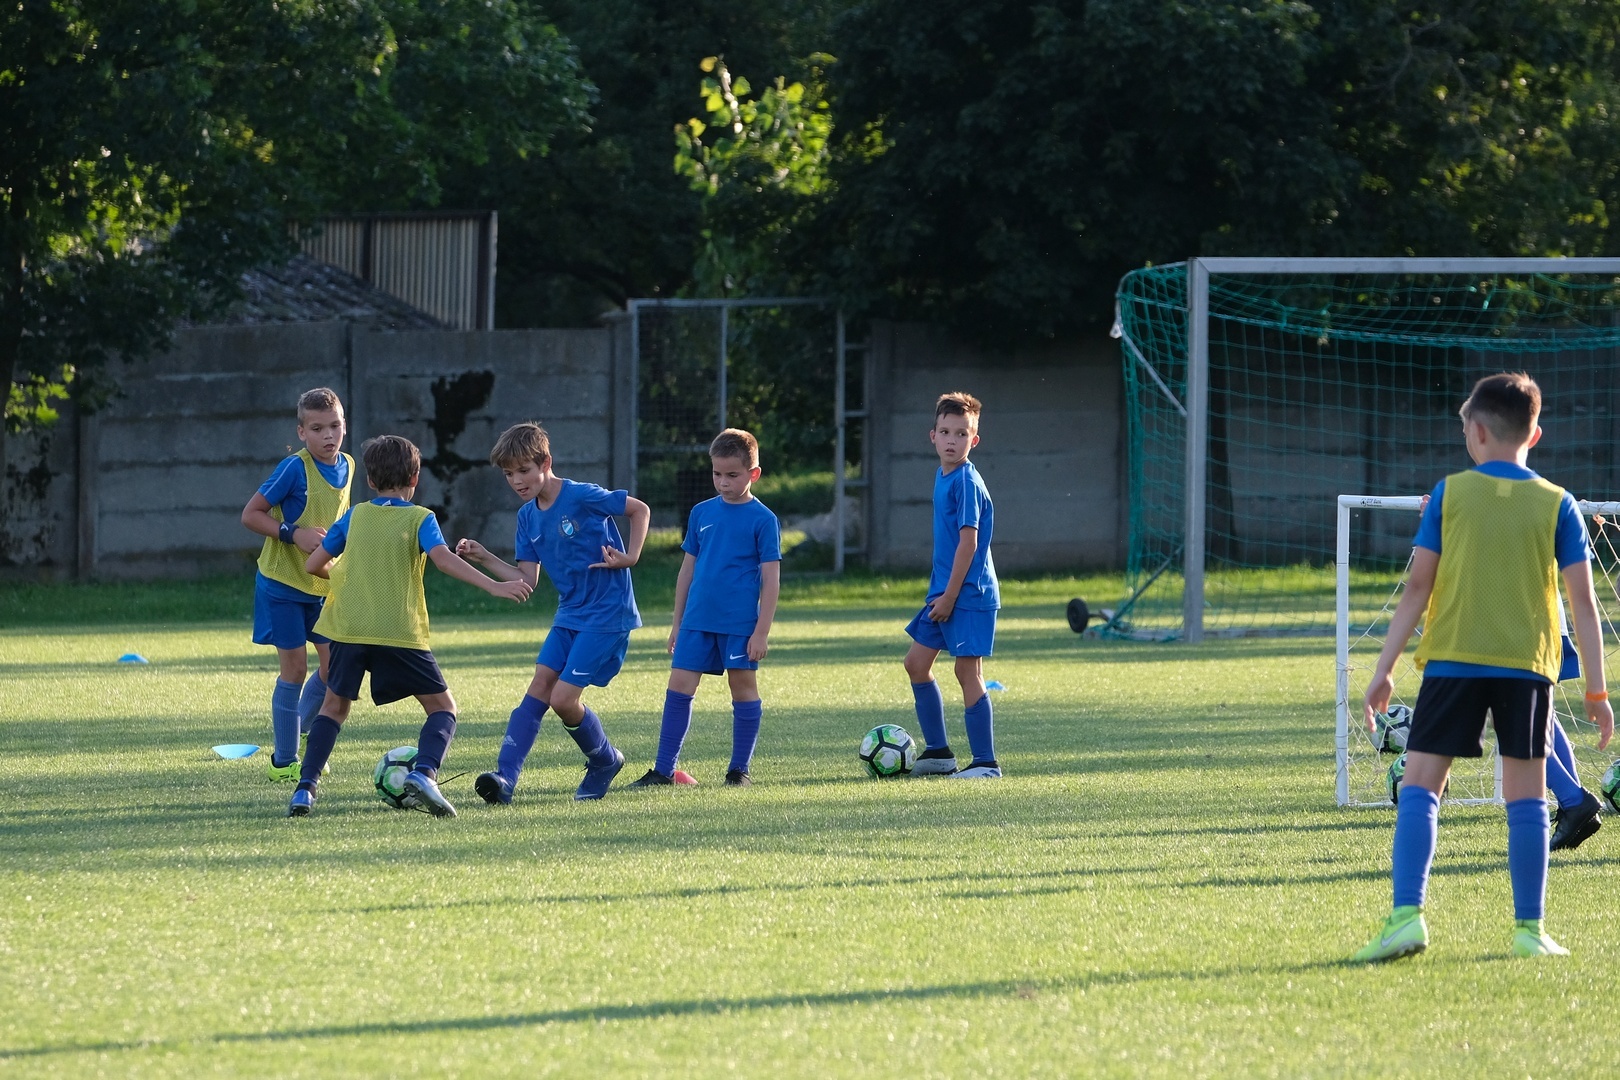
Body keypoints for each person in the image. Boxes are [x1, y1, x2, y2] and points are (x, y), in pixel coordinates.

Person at [1356, 372, 1612, 961]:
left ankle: (1406, 919)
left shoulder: (1448, 495)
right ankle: (1529, 931)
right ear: (1535, 435)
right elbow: (1584, 605)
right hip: (1527, 667)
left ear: (1474, 432)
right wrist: (1596, 692)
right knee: (1526, 799)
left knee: (1421, 788)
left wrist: (1383, 669)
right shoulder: (1559, 504)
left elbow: (1417, 588)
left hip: (1452, 662)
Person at [288, 435, 532, 818]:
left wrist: (346, 579)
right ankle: (424, 773)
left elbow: (312, 564)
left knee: (333, 709)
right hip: (399, 632)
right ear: (415, 479)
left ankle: (305, 789)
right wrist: (494, 585)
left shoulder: (354, 516)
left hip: (348, 629)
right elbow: (443, 559)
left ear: (370, 480)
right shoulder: (420, 518)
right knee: (443, 708)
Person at [455, 422, 649, 802]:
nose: (516, 481)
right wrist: (484, 557)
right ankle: (504, 779)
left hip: (607, 614)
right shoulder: (527, 517)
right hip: (569, 613)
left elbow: (639, 510)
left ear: (546, 462)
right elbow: (526, 578)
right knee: (540, 685)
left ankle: (605, 760)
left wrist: (632, 556)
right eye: (509, 474)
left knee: (562, 700)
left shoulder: (581, 496)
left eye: (523, 470)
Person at [629, 429, 781, 788]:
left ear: (754, 474)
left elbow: (771, 580)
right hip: (696, 621)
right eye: (717, 474)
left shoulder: (763, 519)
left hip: (738, 624)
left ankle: (739, 771)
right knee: (679, 687)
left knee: (742, 688)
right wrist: (677, 623)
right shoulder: (701, 513)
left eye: (733, 475)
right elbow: (687, 571)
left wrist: (761, 632)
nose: (723, 482)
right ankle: (663, 770)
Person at [239, 387, 354, 781]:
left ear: (345, 426)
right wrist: (293, 534)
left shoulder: (349, 466)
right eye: (317, 428)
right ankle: (283, 762)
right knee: (295, 669)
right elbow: (251, 515)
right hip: (283, 586)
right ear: (302, 432)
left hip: (321, 586)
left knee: (334, 668)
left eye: (334, 426)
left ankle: (300, 731)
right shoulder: (293, 468)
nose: (328, 435)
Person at [903, 392, 1002, 779]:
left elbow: (969, 543)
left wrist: (950, 596)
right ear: (933, 436)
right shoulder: (942, 474)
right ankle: (940, 753)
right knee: (916, 664)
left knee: (967, 672)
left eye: (961, 434)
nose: (952, 440)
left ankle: (986, 764)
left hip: (968, 595)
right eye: (945, 432)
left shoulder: (967, 481)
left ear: (973, 440)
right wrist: (941, 594)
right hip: (943, 593)